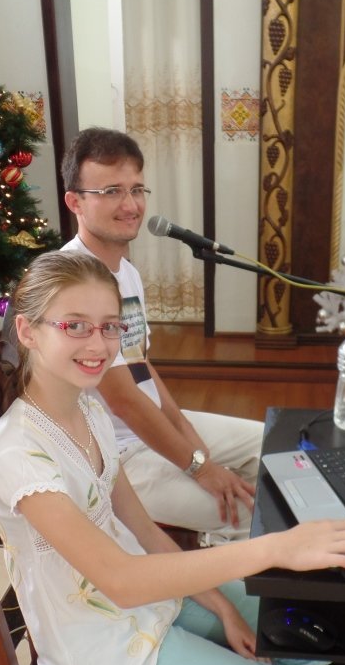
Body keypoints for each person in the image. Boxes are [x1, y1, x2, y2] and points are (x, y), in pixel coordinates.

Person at [0, 249, 345, 665]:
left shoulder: (87, 408)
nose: (98, 345)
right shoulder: (18, 453)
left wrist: (221, 605)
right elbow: (121, 581)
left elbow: (145, 531)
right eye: (75, 326)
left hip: (150, 600)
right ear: (27, 331)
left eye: (110, 327)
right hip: (99, 638)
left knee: (316, 627)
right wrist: (277, 548)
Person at [59, 127, 262, 546]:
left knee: (272, 445)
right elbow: (123, 400)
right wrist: (201, 467)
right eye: (111, 191)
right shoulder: (73, 282)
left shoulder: (125, 273)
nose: (131, 205)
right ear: (75, 201)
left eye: (137, 189)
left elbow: (139, 365)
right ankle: (217, 578)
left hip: (144, 431)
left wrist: (186, 430)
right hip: (109, 458)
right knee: (253, 515)